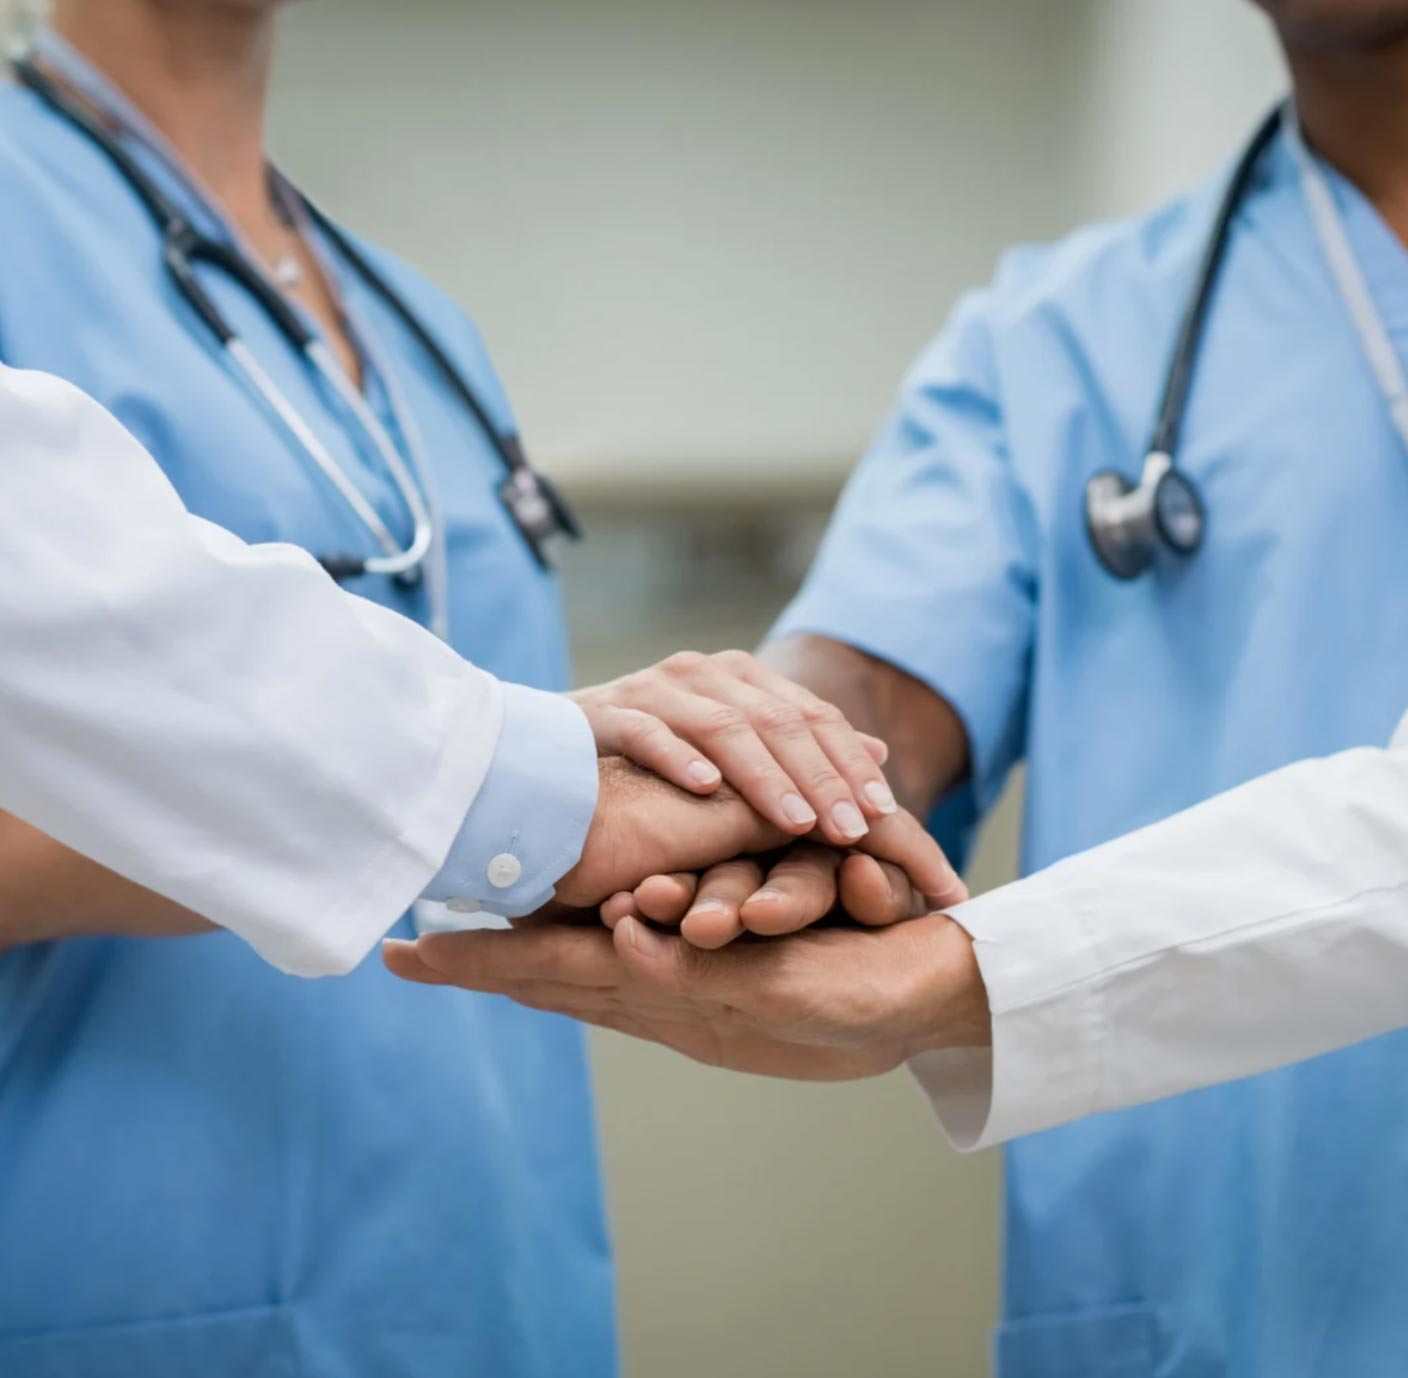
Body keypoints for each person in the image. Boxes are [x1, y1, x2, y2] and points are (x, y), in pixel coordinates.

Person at [391, 3, 1408, 1373]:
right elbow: (870, 675)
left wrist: (949, 974)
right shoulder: (1060, 340)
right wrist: (761, 779)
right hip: (1201, 1309)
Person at [0, 5, 959, 1375]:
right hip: (139, 1273)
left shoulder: (411, 320)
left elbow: (513, 761)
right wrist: (514, 811)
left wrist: (658, 822)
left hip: (488, 1267)